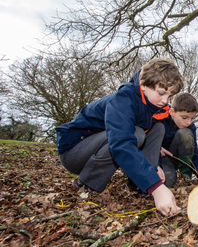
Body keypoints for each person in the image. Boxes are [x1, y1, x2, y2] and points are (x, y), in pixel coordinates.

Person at [56, 58, 183, 217]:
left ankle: (139, 186)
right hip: (74, 151)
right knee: (135, 134)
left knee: (157, 128)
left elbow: (153, 140)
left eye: (170, 95)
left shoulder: (156, 107)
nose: (166, 100)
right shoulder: (124, 99)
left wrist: (154, 167)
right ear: (143, 84)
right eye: (161, 93)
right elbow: (121, 143)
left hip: (102, 146)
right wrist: (157, 187)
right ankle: (86, 183)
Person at [159, 92, 198, 187]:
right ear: (172, 112)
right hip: (161, 160)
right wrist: (157, 148)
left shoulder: (190, 127)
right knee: (168, 181)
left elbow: (195, 153)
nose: (189, 122)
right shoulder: (160, 120)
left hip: (178, 161)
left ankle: (186, 177)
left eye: (192, 118)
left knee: (185, 133)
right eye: (184, 117)